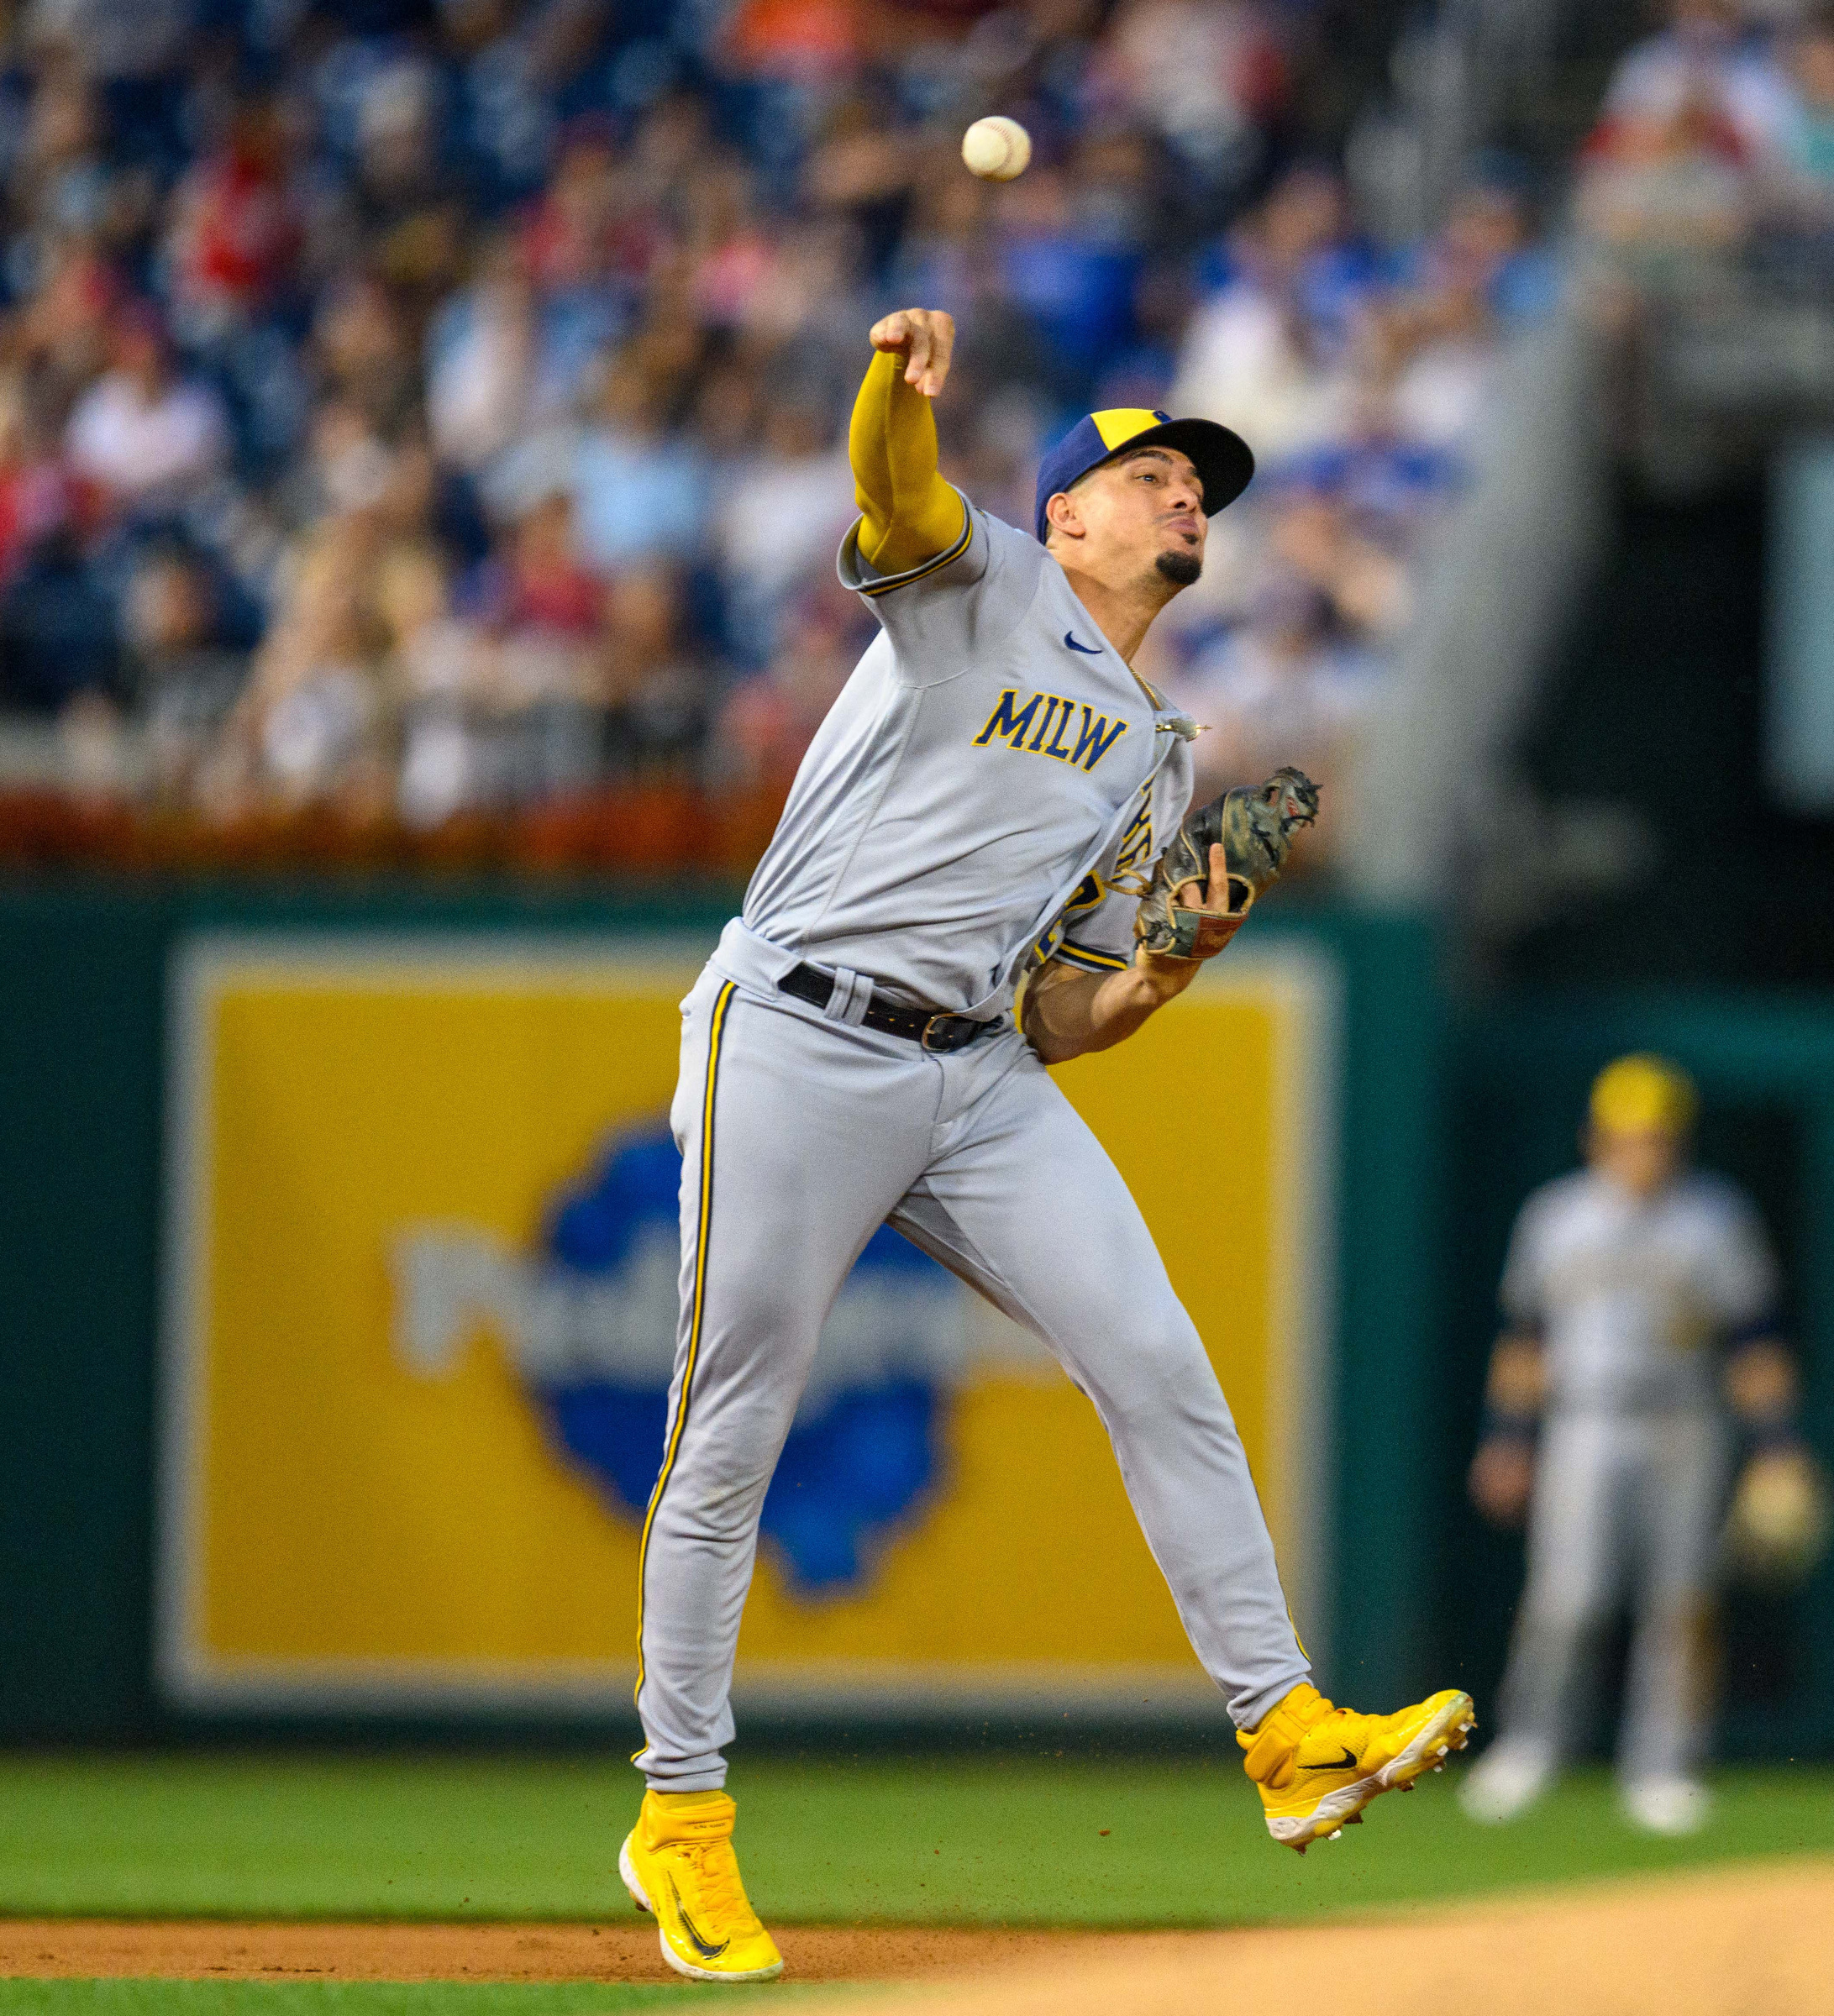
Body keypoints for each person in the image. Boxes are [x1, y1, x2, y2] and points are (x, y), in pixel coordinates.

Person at [615, 305, 1477, 1985]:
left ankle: (1289, 1738)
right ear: (1066, 510)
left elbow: (1075, 1017)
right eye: (1151, 475)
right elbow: (894, 490)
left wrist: (1178, 954)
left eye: (1200, 487)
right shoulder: (983, 580)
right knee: (731, 1424)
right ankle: (682, 1819)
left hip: (976, 1072)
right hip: (793, 1028)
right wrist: (892, 385)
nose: (1185, 500)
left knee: (1157, 1361)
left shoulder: (1161, 756)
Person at [1458, 1054, 1795, 1837]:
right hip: (1585, 1420)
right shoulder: (1557, 1217)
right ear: (1596, 1138)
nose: (1643, 1151)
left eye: (1656, 1137)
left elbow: (1753, 1342)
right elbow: (1526, 1339)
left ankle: (1664, 1766)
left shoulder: (1715, 1218)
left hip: (1685, 1420)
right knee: (1567, 1598)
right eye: (1627, 1136)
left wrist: (1778, 1443)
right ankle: (1531, 1746)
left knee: (1682, 1605)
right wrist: (1507, 1438)